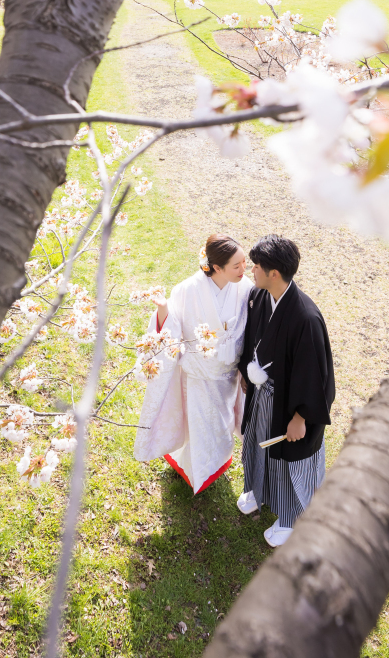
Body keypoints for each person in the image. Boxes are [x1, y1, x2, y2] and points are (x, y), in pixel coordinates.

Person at [134, 234, 253, 494]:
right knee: (196, 426)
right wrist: (163, 310)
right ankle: (191, 468)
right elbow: (172, 329)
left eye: (244, 261)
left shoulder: (245, 288)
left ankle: (216, 464)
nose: (245, 268)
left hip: (228, 375)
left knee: (221, 425)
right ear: (217, 267)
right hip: (198, 375)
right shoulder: (187, 290)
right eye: (237, 265)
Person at [237, 235, 335, 547]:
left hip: (291, 405)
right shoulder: (259, 296)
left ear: (274, 273)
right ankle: (258, 491)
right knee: (257, 445)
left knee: (290, 462)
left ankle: (292, 518)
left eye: (257, 266)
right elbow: (253, 338)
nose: (252, 270)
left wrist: (301, 417)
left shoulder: (305, 318)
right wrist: (245, 371)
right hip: (263, 395)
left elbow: (315, 375)